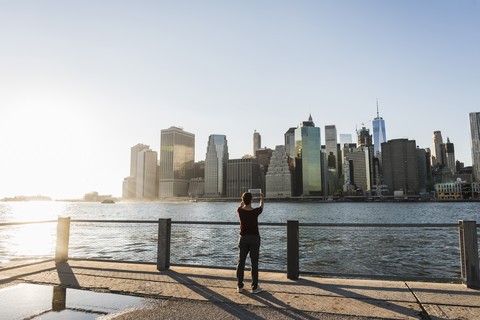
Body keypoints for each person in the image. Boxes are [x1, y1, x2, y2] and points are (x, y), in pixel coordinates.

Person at [236, 191, 264, 294]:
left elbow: (240, 206)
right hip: (254, 238)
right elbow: (261, 207)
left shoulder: (240, 210)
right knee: (254, 263)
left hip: (243, 238)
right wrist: (262, 198)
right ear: (251, 201)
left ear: (243, 201)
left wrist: (242, 202)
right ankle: (255, 287)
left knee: (241, 261)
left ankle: (240, 286)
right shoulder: (255, 211)